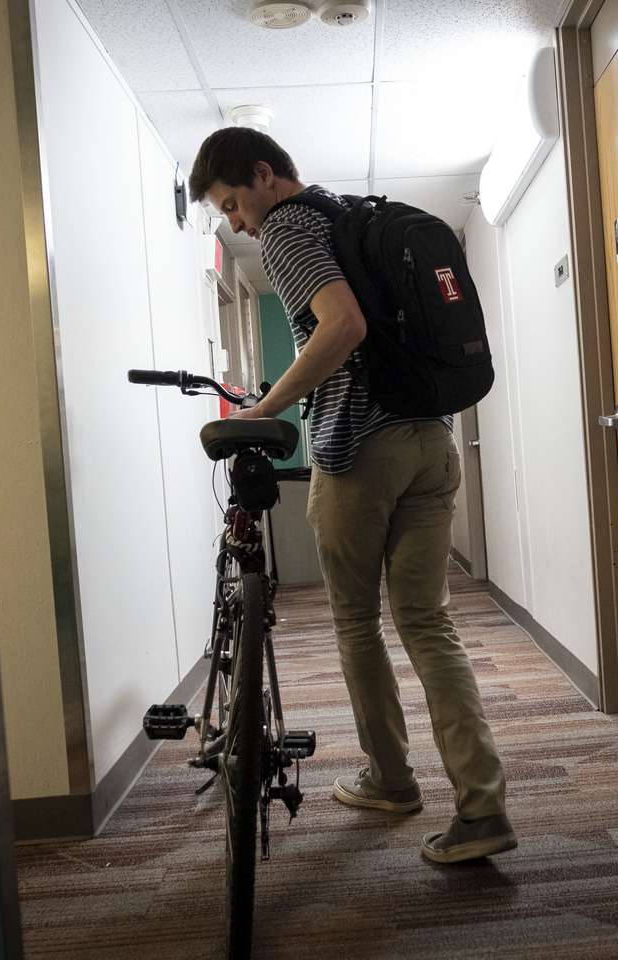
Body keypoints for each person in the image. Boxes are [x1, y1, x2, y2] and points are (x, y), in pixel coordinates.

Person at [188, 127, 515, 864]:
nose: (238, 222)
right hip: (434, 442)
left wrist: (265, 407)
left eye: (234, 203)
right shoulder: (347, 215)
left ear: (265, 176)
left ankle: (392, 781)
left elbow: (343, 326)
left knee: (357, 624)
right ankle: (483, 807)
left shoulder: (289, 228)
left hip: (362, 451)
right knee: (429, 626)